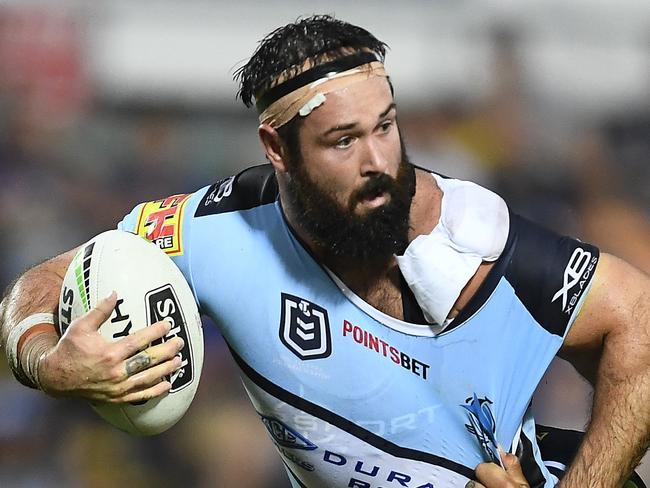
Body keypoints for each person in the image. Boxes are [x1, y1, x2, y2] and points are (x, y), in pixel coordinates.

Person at [1, 15, 649, 488]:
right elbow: (48, 278)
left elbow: (638, 320)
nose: (379, 163)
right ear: (278, 150)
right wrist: (44, 359)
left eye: (386, 127)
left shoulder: (467, 240)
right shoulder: (215, 229)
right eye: (343, 141)